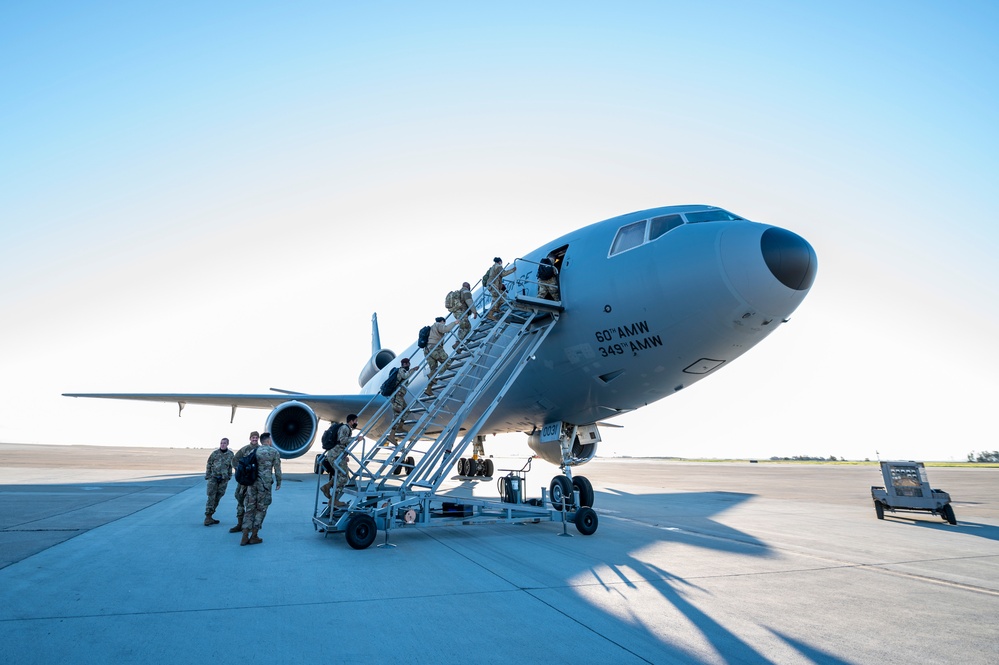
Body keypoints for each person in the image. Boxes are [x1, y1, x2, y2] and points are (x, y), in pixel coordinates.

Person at [241, 432, 281, 546]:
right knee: (261, 509)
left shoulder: (254, 451)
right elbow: (277, 469)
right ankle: (254, 535)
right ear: (268, 440)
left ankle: (244, 535)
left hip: (252, 484)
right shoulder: (274, 452)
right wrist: (279, 481)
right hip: (265, 485)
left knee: (249, 508)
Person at [320, 413, 358, 509]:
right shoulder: (345, 428)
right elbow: (342, 440)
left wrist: (344, 455)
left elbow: (341, 445)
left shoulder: (346, 428)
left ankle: (327, 487)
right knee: (344, 476)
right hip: (336, 455)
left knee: (340, 474)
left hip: (337, 454)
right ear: (351, 421)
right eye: (355, 421)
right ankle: (333, 500)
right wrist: (356, 439)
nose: (356, 423)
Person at [228, 431, 260, 533]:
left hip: (254, 481)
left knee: (252, 504)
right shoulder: (245, 449)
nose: (254, 439)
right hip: (244, 481)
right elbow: (234, 460)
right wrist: (239, 470)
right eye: (253, 437)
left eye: (256, 437)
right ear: (250, 438)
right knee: (240, 499)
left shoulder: (260, 450)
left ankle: (249, 526)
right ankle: (239, 524)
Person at [204, 437, 234, 526]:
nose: (222, 444)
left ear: (227, 444)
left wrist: (229, 477)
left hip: (223, 479)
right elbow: (209, 464)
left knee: (218, 497)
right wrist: (208, 475)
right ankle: (207, 516)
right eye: (221, 443)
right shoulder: (215, 453)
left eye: (224, 443)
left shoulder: (230, 454)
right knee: (211, 497)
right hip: (213, 478)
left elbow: (230, 466)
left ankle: (211, 515)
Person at [424, 316, 457, 395]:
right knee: (447, 362)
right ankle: (432, 375)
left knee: (433, 369)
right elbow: (445, 329)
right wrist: (454, 323)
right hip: (435, 348)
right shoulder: (438, 325)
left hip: (427, 350)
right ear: (442, 321)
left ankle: (428, 389)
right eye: (444, 323)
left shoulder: (432, 328)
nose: (444, 324)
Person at [388, 358, 412, 441]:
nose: (409, 365)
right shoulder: (402, 370)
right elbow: (405, 376)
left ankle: (400, 427)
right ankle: (391, 435)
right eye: (408, 364)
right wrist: (413, 370)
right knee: (397, 415)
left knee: (407, 411)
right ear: (404, 364)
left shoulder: (402, 371)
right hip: (397, 396)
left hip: (400, 396)